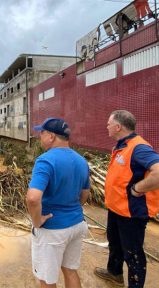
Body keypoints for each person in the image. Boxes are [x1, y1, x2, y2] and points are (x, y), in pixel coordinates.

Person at [94, 110, 159, 288]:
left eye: (109, 123)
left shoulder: (139, 147)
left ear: (118, 127)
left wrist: (138, 189)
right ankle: (114, 273)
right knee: (115, 244)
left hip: (131, 212)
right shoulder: (122, 146)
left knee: (133, 253)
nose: (106, 126)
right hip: (116, 208)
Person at [26, 117, 90, 288]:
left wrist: (37, 220)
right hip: (77, 224)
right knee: (70, 270)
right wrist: (73, 208)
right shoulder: (81, 161)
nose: (40, 136)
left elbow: (32, 198)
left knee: (47, 279)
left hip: (53, 230)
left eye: (42, 132)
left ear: (52, 136)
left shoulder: (46, 160)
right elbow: (85, 194)